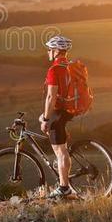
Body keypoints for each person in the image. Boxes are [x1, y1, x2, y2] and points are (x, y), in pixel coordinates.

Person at [39, 35, 74, 198]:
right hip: (69, 109)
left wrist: (46, 119)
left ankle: (64, 188)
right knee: (62, 149)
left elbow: (51, 97)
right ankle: (65, 181)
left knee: (60, 151)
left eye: (49, 49)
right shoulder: (70, 66)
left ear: (56, 51)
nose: (48, 52)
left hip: (59, 111)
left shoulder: (54, 69)